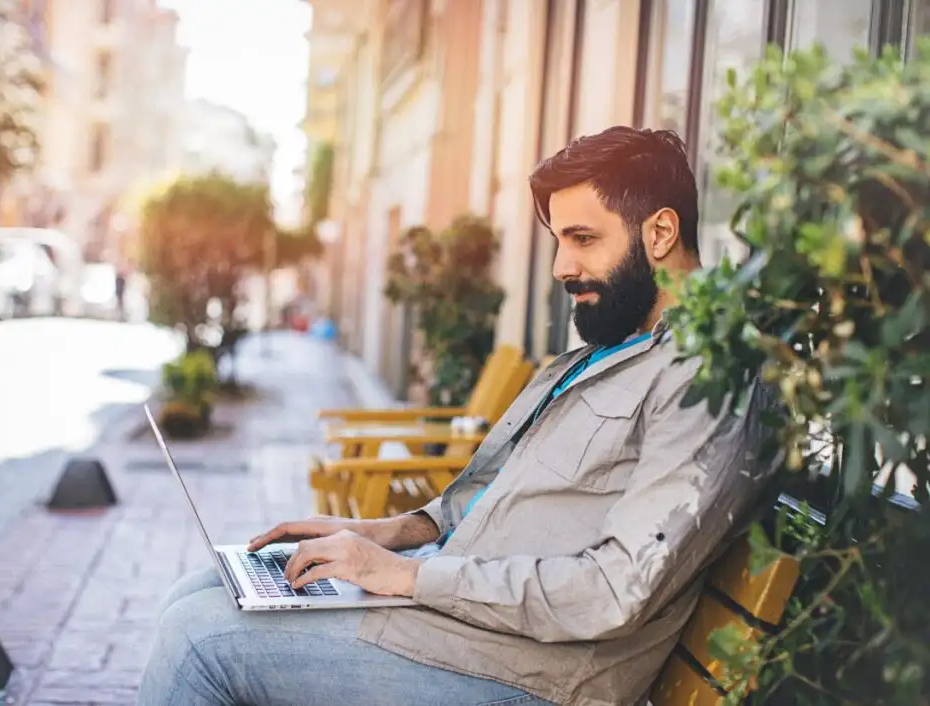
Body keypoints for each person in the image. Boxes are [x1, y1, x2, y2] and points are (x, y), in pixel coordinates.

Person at [137, 127, 778, 706]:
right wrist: (386, 534)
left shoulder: (706, 378)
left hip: (526, 674)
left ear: (660, 233)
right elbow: (478, 502)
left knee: (197, 641)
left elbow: (614, 590)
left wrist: (406, 577)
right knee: (195, 594)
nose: (561, 267)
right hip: (457, 625)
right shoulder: (604, 353)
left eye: (583, 239)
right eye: (559, 241)